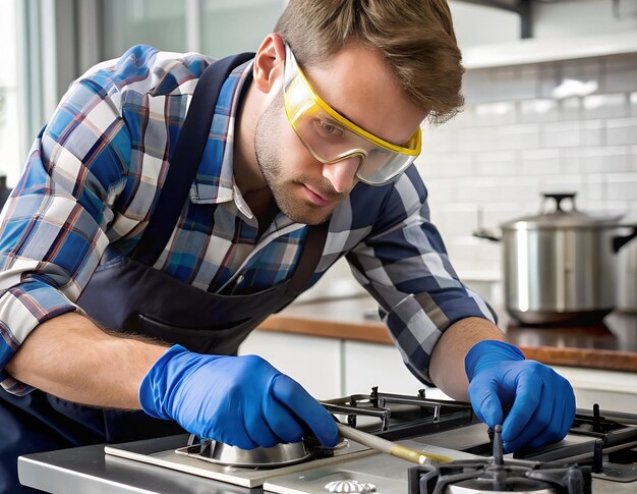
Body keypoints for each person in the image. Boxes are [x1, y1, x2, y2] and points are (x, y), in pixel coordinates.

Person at [0, 1, 575, 492]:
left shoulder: (375, 183)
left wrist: (488, 361)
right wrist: (174, 380)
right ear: (272, 64)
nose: (342, 179)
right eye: (330, 127)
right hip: (29, 437)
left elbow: (436, 308)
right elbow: (12, 301)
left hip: (179, 449)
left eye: (383, 149)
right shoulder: (126, 113)